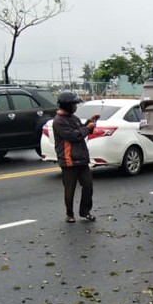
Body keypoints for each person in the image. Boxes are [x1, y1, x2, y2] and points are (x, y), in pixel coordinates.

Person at [52, 92, 100, 223]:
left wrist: (90, 122)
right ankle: (69, 214)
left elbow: (82, 129)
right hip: (68, 160)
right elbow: (74, 136)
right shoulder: (58, 121)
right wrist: (87, 128)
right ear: (67, 105)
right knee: (70, 189)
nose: (75, 107)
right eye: (73, 104)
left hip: (82, 159)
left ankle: (85, 212)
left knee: (88, 185)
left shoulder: (74, 118)